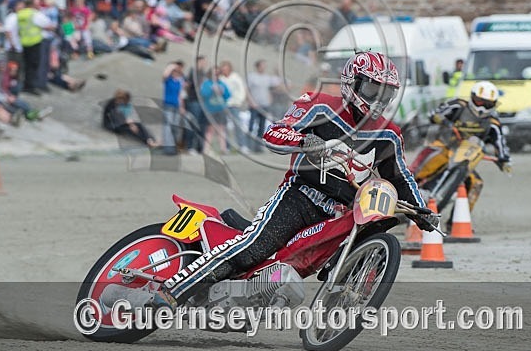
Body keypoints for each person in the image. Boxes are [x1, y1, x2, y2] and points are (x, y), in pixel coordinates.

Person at [102, 52, 432, 312]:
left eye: (385, 92)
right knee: (254, 247)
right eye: (373, 88)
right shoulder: (319, 104)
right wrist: (303, 142)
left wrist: (421, 210)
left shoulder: (390, 133)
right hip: (301, 196)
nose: (378, 98)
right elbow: (273, 132)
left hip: (340, 212)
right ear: (352, 83)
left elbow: (401, 176)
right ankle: (171, 292)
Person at [426, 81, 511, 221]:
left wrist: (504, 159)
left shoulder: (493, 122)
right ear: (472, 97)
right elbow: (435, 114)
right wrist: (439, 118)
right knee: (428, 164)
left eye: (487, 104)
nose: (482, 107)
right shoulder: (458, 105)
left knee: (476, 183)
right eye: (479, 101)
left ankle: (457, 222)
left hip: (465, 158)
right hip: (444, 146)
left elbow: (500, 142)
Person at [200, 65, 231, 155]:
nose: (216, 75)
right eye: (214, 73)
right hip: (211, 110)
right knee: (210, 130)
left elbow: (228, 95)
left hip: (221, 109)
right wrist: (212, 90)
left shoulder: (222, 83)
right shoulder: (207, 83)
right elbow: (203, 94)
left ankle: (223, 149)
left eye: (217, 73)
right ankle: (206, 150)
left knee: (221, 129)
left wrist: (222, 92)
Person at [162, 61, 184, 155]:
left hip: (176, 106)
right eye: (174, 71)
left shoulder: (179, 81)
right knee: (168, 126)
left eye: (177, 71)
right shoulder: (168, 80)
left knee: (175, 127)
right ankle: (168, 148)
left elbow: (180, 95)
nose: (176, 73)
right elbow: (164, 74)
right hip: (168, 105)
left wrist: (182, 106)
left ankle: (174, 146)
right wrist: (171, 66)